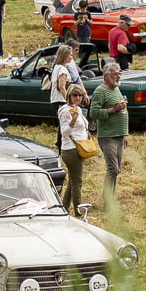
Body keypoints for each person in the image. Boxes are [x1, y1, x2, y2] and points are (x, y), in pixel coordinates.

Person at [90, 62, 129, 203]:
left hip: (119, 136)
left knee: (116, 169)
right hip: (108, 137)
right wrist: (115, 109)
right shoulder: (100, 91)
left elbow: (123, 112)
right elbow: (93, 113)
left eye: (119, 73)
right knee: (112, 169)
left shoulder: (116, 89)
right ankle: (108, 201)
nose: (118, 76)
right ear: (107, 76)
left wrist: (125, 133)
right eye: (115, 74)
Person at [56, 83, 91, 214]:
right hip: (71, 150)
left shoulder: (77, 108)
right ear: (68, 96)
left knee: (72, 182)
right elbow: (64, 132)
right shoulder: (66, 110)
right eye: (74, 95)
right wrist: (73, 120)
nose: (77, 98)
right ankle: (79, 211)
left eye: (80, 95)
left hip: (79, 148)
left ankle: (64, 208)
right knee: (77, 182)